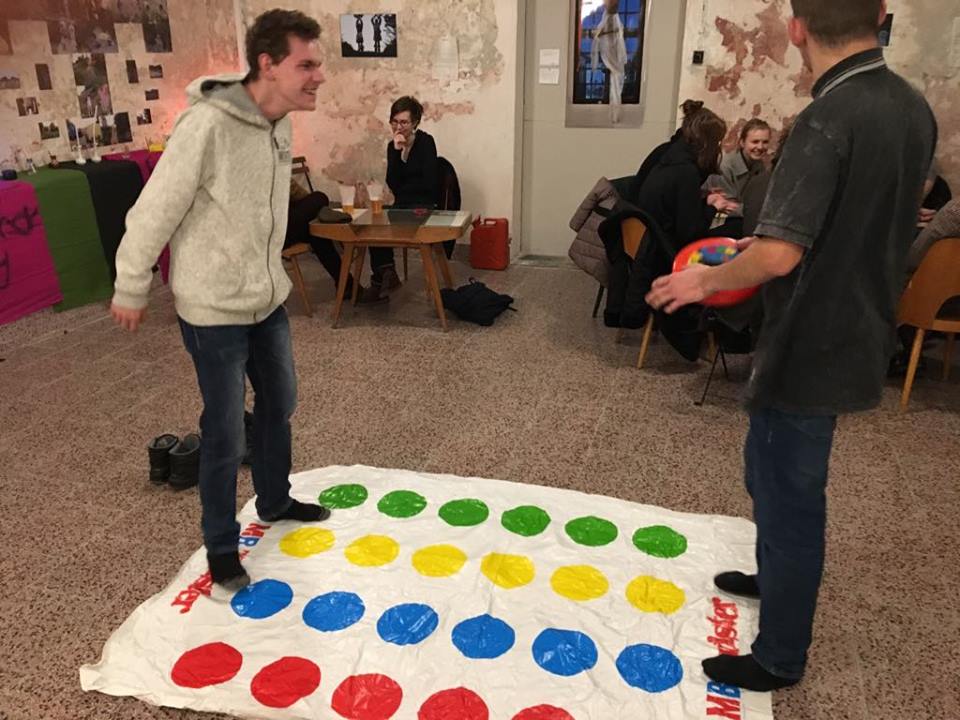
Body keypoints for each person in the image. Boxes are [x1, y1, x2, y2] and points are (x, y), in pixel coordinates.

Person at [646, 0, 935, 691]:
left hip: (810, 338)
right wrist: (770, 237)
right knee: (768, 474)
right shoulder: (911, 108)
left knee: (790, 496)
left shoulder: (825, 117)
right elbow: (852, 217)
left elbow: (779, 259)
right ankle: (771, 575)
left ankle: (779, 655)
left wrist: (702, 280)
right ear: (881, 17)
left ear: (798, 28)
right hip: (861, 324)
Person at [110, 9, 335, 590]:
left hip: (266, 300)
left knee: (280, 403)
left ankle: (275, 500)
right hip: (213, 310)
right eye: (307, 65)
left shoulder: (280, 122)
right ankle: (220, 546)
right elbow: (154, 209)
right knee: (227, 431)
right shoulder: (206, 125)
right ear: (268, 64)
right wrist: (131, 283)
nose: (319, 76)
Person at [369, 95, 439, 295]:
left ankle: (382, 278)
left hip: (423, 205)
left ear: (415, 123)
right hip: (402, 205)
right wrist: (398, 152)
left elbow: (429, 183)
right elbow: (393, 183)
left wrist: (406, 183)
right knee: (374, 221)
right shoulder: (392, 146)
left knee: (396, 216)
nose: (398, 127)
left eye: (404, 122)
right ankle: (387, 272)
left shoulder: (426, 142)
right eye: (394, 122)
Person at [284, 178, 383, 304]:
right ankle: (347, 285)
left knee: (316, 233)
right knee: (319, 198)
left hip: (282, 222)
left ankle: (346, 285)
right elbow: (293, 191)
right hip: (275, 230)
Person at [706, 118, 773, 238]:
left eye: (765, 142)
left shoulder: (759, 165)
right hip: (717, 221)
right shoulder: (725, 166)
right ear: (742, 142)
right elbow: (725, 208)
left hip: (742, 218)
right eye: (755, 141)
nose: (760, 147)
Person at [591, 0, 628, 123]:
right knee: (615, 74)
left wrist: (600, 33)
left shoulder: (614, 20)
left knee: (616, 75)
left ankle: (615, 113)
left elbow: (614, 32)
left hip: (614, 52)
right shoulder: (607, 18)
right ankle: (614, 112)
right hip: (611, 49)